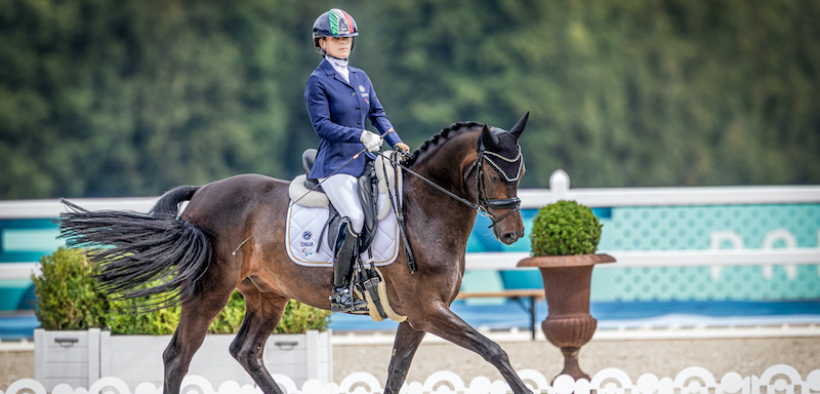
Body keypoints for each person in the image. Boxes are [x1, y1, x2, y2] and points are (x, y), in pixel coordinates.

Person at [304, 8, 410, 313]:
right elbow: (322, 125)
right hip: (335, 164)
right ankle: (340, 291)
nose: (344, 43)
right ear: (322, 43)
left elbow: (377, 113)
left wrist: (394, 140)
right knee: (356, 217)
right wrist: (359, 135)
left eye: (348, 38)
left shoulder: (361, 77)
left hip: (365, 161)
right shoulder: (318, 81)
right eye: (337, 38)